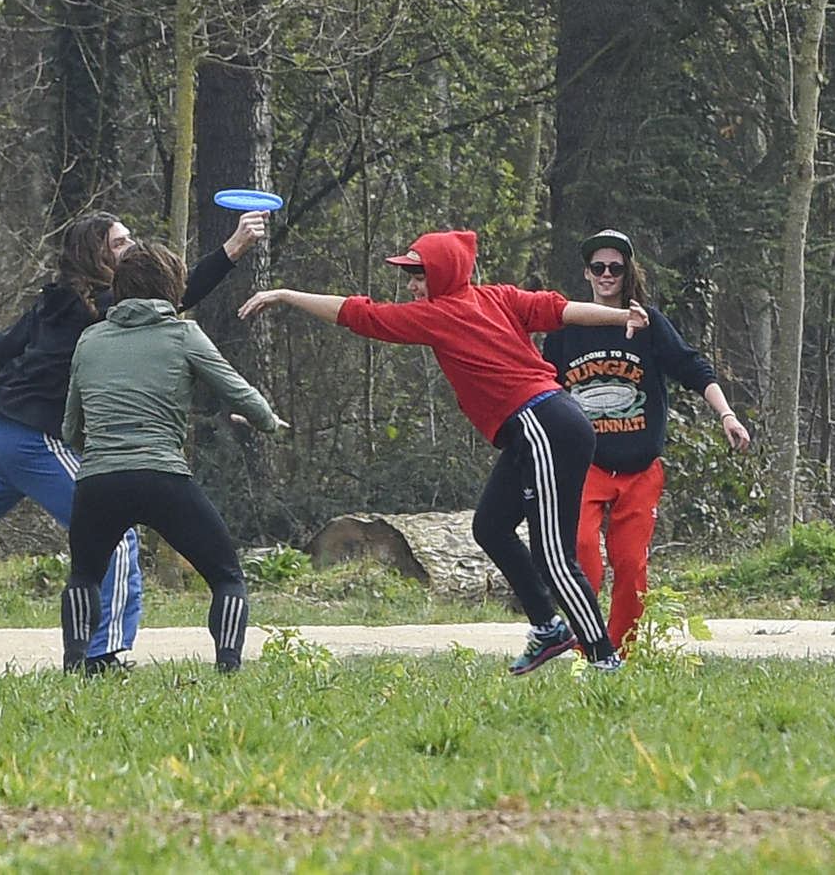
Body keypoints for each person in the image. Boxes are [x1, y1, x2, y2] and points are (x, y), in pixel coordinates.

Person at [0, 209, 269, 675]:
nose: (132, 248)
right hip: (36, 438)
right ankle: (104, 653)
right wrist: (231, 250)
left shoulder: (56, 300)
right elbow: (175, 293)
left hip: (0, 431)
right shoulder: (101, 304)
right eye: (119, 243)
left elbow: (2, 343)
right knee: (117, 540)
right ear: (95, 256)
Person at [238, 229, 648, 675]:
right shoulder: (495, 297)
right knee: (491, 526)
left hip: (542, 423)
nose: (412, 286)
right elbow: (561, 309)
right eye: (410, 276)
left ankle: (604, 659)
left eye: (419, 275)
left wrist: (286, 294)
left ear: (444, 274)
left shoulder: (440, 314)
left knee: (553, 554)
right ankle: (548, 629)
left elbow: (359, 315)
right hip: (539, 427)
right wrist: (617, 315)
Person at [61, 242, 285, 674]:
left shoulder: (90, 339)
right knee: (226, 576)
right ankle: (228, 666)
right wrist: (268, 422)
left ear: (119, 288)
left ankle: (73, 665)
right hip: (163, 477)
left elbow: (70, 427)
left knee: (84, 575)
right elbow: (241, 394)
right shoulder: (184, 334)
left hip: (99, 480)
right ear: (174, 287)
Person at [541, 228, 751, 652]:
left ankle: (623, 652)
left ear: (626, 273)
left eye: (614, 268)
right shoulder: (566, 328)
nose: (606, 274)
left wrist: (727, 414)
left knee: (631, 564)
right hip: (586, 466)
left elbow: (694, 368)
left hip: (639, 469)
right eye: (598, 267)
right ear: (586, 273)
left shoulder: (650, 324)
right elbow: (542, 384)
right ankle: (589, 650)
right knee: (581, 552)